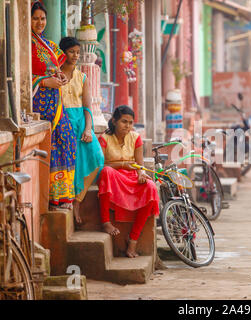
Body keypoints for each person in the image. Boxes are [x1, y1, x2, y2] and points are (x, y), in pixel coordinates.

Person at [31, 1, 77, 210]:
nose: (40, 22)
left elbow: (53, 67)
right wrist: (42, 81)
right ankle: (53, 197)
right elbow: (20, 75)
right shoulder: (25, 44)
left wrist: (58, 76)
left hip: (55, 100)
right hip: (39, 101)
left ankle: (64, 194)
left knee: (67, 138)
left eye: (42, 18)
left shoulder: (47, 44)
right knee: (55, 142)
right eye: (35, 18)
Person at [97, 106, 160, 258]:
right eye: (124, 121)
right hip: (113, 175)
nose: (127, 126)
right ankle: (105, 222)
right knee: (106, 172)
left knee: (150, 187)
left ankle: (133, 241)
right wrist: (122, 165)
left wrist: (142, 174)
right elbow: (100, 166)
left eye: (131, 123)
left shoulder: (135, 138)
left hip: (131, 176)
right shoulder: (104, 139)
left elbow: (140, 165)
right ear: (114, 121)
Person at [59, 36, 105, 224]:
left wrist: (88, 129)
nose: (75, 55)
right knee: (70, 163)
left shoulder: (82, 77)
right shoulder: (55, 76)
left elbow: (87, 107)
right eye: (71, 52)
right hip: (62, 123)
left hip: (80, 124)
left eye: (77, 52)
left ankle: (78, 200)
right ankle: (68, 199)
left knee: (97, 157)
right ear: (63, 53)